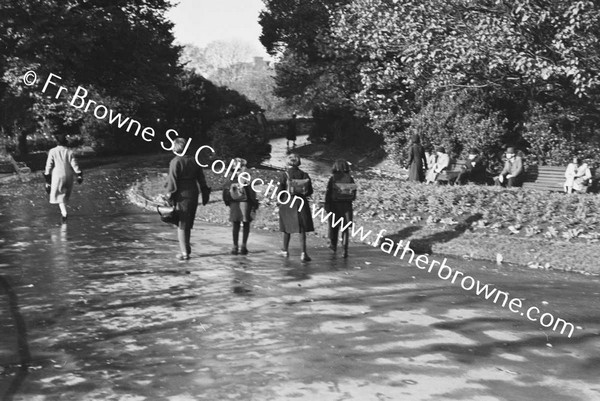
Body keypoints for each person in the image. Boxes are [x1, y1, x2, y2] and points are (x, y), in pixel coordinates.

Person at [166, 138, 210, 261]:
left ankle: (184, 253)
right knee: (188, 222)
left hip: (181, 194)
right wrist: (205, 193)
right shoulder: (194, 161)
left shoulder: (175, 162)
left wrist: (169, 195)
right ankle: (187, 247)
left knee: (181, 224)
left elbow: (172, 181)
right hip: (193, 192)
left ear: (176, 148)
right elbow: (202, 179)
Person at [278, 153, 314, 262]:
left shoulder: (284, 175)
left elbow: (280, 191)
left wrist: (279, 202)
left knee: (286, 228)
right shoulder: (305, 175)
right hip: (301, 202)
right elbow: (310, 191)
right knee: (302, 229)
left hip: (287, 202)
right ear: (298, 162)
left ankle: (285, 250)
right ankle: (303, 253)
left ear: (288, 162)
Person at [44, 133, 83, 224]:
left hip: (58, 176)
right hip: (69, 175)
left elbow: (48, 166)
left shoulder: (52, 151)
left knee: (59, 195)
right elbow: (74, 164)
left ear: (57, 142)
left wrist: (47, 179)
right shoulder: (69, 151)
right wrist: (79, 174)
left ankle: (64, 214)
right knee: (64, 195)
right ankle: (64, 213)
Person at [222, 158, 259, 255]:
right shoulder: (246, 177)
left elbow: (225, 191)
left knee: (235, 224)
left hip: (234, 203)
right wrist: (254, 203)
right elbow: (251, 191)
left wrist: (227, 202)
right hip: (246, 202)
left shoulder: (231, 178)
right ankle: (243, 246)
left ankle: (235, 246)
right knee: (246, 224)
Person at [324, 159, 356, 258]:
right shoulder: (350, 179)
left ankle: (333, 246)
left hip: (334, 205)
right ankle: (345, 249)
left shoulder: (333, 178)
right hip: (347, 206)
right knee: (345, 229)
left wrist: (326, 204)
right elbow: (354, 195)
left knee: (334, 227)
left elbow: (328, 194)